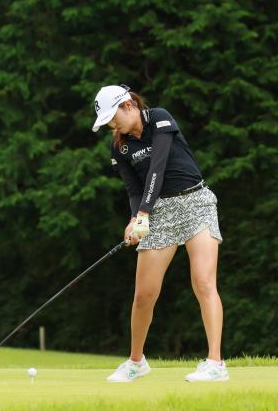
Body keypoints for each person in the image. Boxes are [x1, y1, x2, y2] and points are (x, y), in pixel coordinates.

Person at [91, 84, 228, 382]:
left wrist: (142, 214)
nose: (112, 125)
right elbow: (134, 189)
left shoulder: (160, 118)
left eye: (113, 117)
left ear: (128, 105)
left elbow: (158, 167)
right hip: (157, 212)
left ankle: (215, 363)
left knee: (204, 282)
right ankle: (136, 362)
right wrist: (134, 219)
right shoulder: (119, 147)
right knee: (144, 295)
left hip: (196, 203)